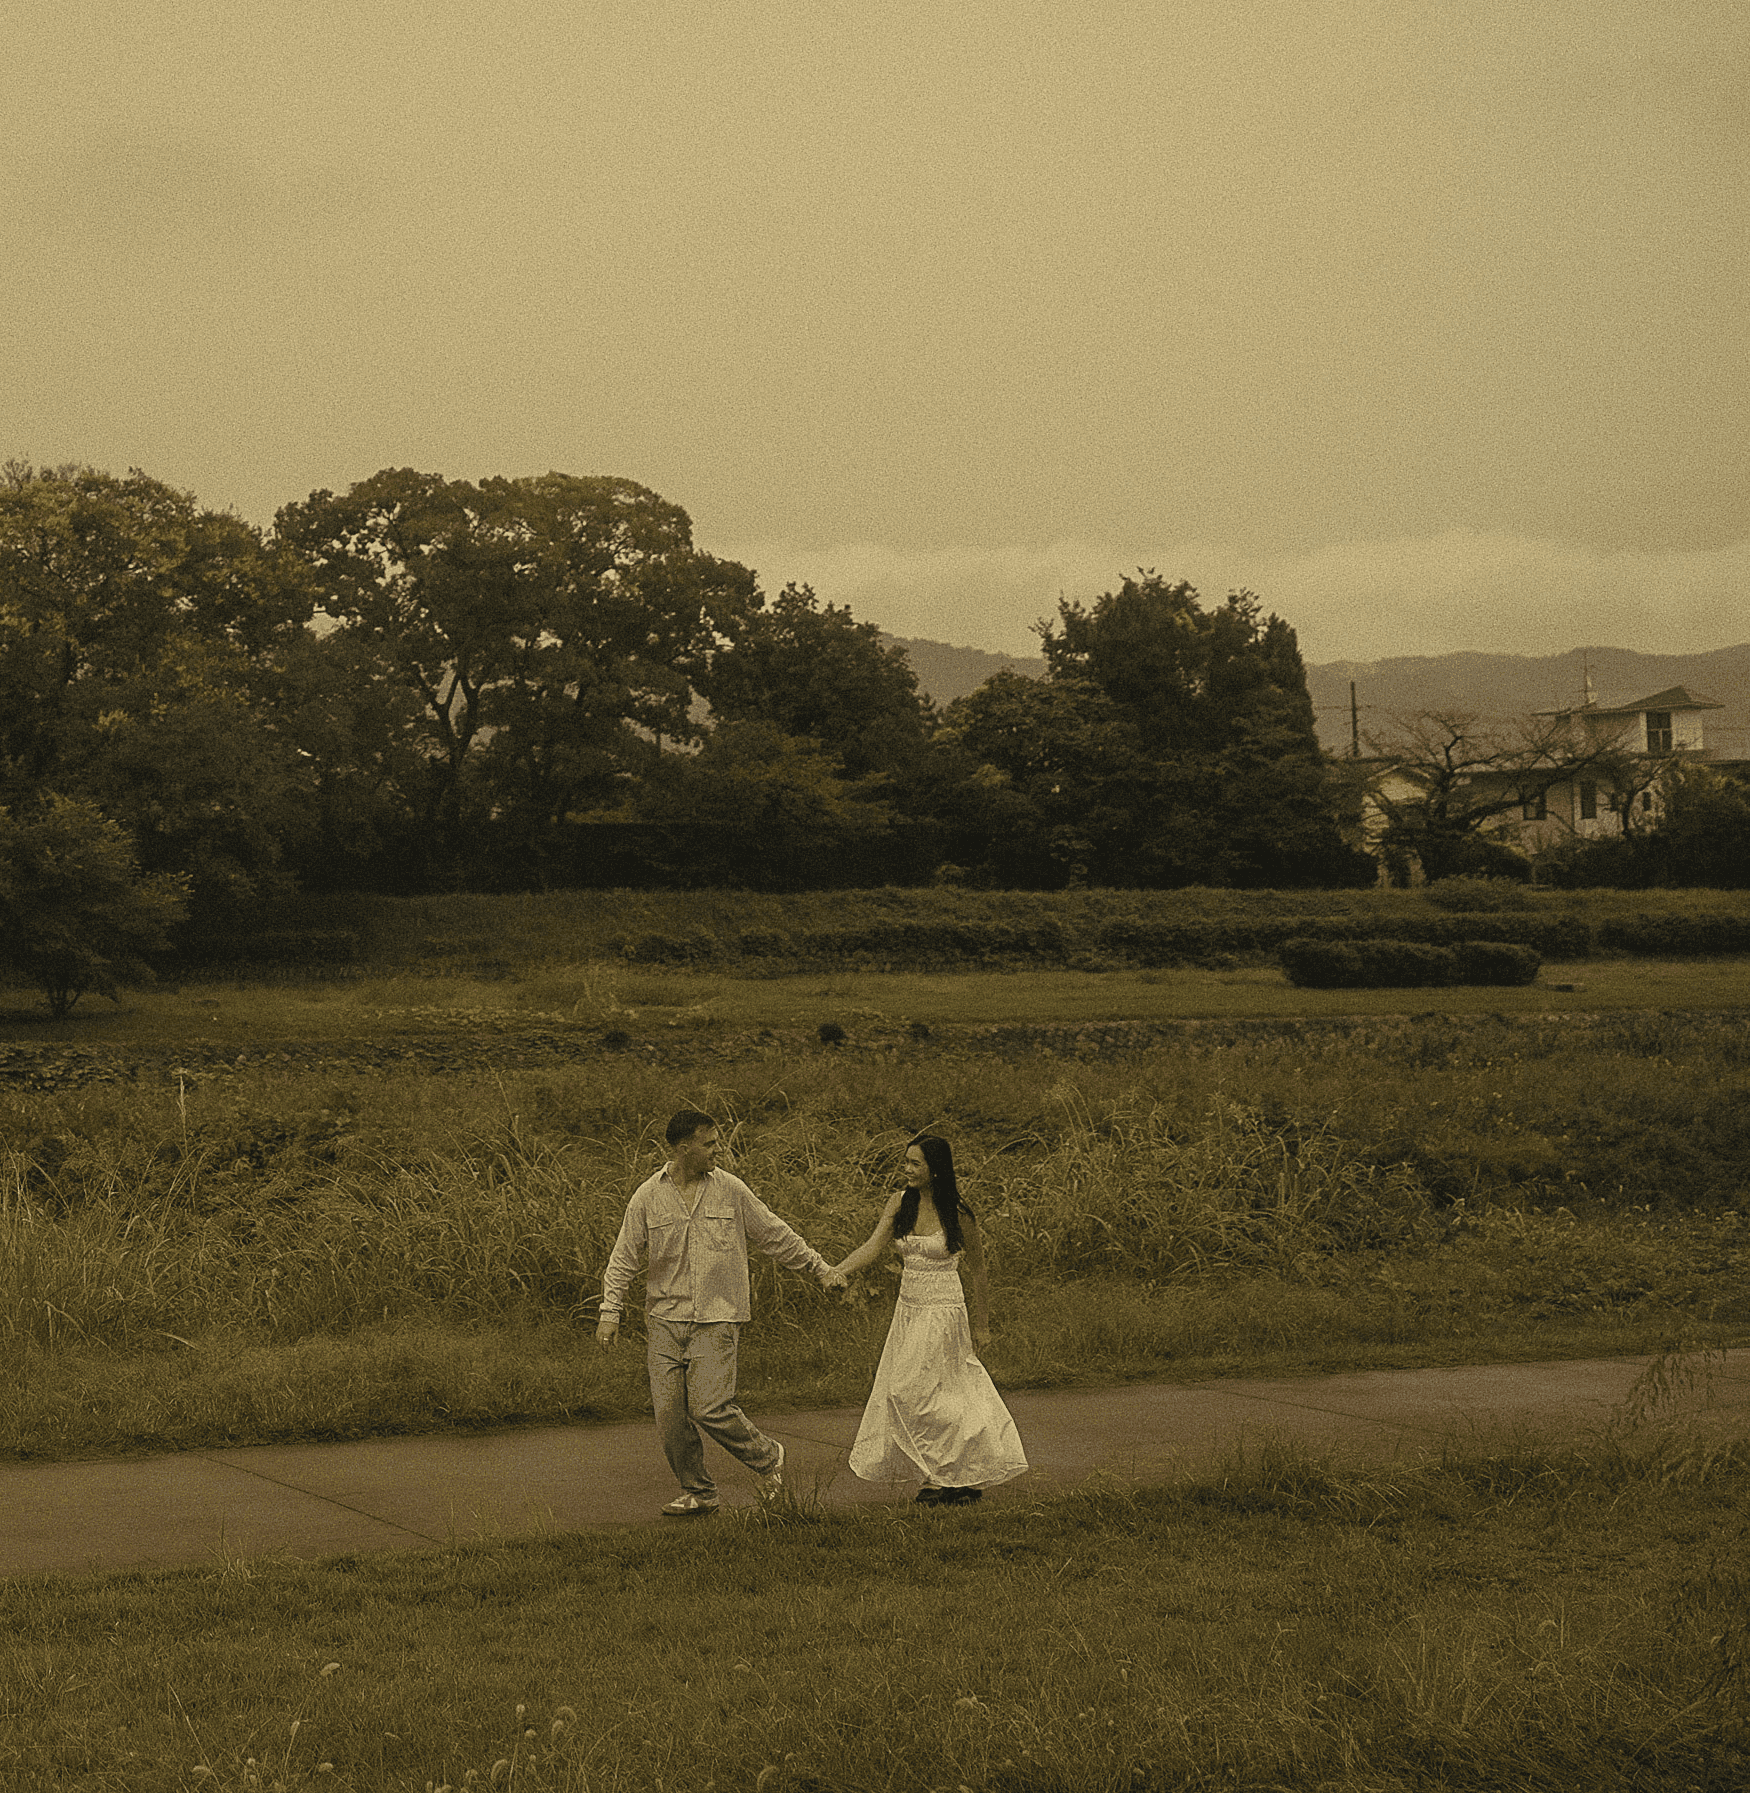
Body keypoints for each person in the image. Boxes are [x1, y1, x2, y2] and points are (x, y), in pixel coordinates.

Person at [596, 1109, 846, 1517]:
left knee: (709, 1406)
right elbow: (624, 1255)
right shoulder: (647, 1195)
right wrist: (611, 1310)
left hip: (717, 1317)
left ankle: (768, 1458)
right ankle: (699, 1492)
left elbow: (774, 1233)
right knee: (670, 1417)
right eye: (709, 1143)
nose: (718, 1150)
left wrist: (820, 1268)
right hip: (664, 1319)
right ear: (683, 1149)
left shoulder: (731, 1190)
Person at [832, 1134, 1028, 1504]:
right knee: (917, 1393)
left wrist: (981, 1324)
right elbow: (873, 1246)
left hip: (944, 1311)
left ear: (936, 1169)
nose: (907, 1169)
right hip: (909, 1310)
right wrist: (838, 1270)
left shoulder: (958, 1212)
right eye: (906, 1161)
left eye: (915, 1163)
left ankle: (946, 1477)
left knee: (926, 1393)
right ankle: (948, 1475)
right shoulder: (899, 1203)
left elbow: (979, 1271)